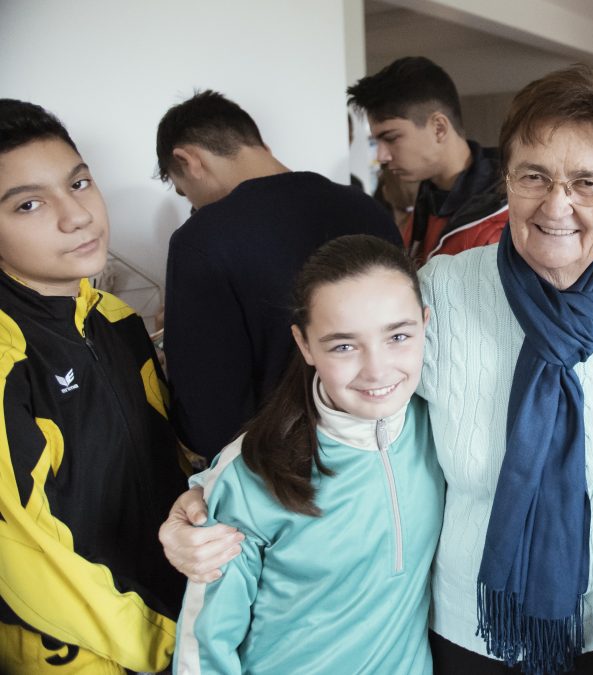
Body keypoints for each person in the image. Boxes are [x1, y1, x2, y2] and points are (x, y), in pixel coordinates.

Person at [161, 63, 593, 674]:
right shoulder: (441, 290)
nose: (557, 204)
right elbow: (346, 405)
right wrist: (212, 495)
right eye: (534, 176)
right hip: (470, 628)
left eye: (588, 184)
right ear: (507, 180)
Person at [173, 235, 442, 673]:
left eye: (398, 336)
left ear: (424, 324)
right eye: (343, 346)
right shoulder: (253, 469)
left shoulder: (439, 426)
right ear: (305, 345)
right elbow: (203, 644)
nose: (377, 369)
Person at [0, 99, 186, 673]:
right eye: (28, 204)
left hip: (171, 613)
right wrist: (165, 641)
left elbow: (167, 459)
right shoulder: (8, 358)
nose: (77, 215)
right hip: (81, 651)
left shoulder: (116, 320)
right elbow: (23, 552)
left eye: (78, 183)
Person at [156, 90, 400, 459]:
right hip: (385, 446)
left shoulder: (201, 240)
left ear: (188, 160)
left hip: (280, 468)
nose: (192, 204)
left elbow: (210, 420)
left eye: (183, 191)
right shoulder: (368, 210)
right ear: (261, 146)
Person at [347, 56, 508, 264]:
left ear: (439, 128)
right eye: (377, 141)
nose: (381, 156)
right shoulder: (427, 202)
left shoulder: (506, 219)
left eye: (391, 138)